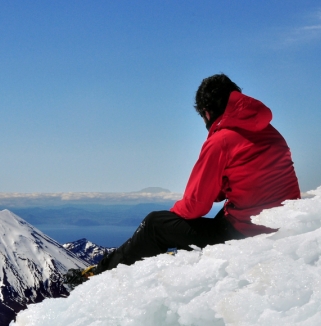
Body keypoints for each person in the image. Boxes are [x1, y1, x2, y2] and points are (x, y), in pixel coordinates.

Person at [64, 73, 300, 288]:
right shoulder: (271, 132)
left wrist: (172, 220)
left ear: (207, 112)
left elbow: (196, 205)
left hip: (247, 232)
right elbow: (253, 180)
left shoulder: (221, 141)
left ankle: (98, 276)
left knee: (155, 224)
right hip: (280, 224)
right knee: (220, 217)